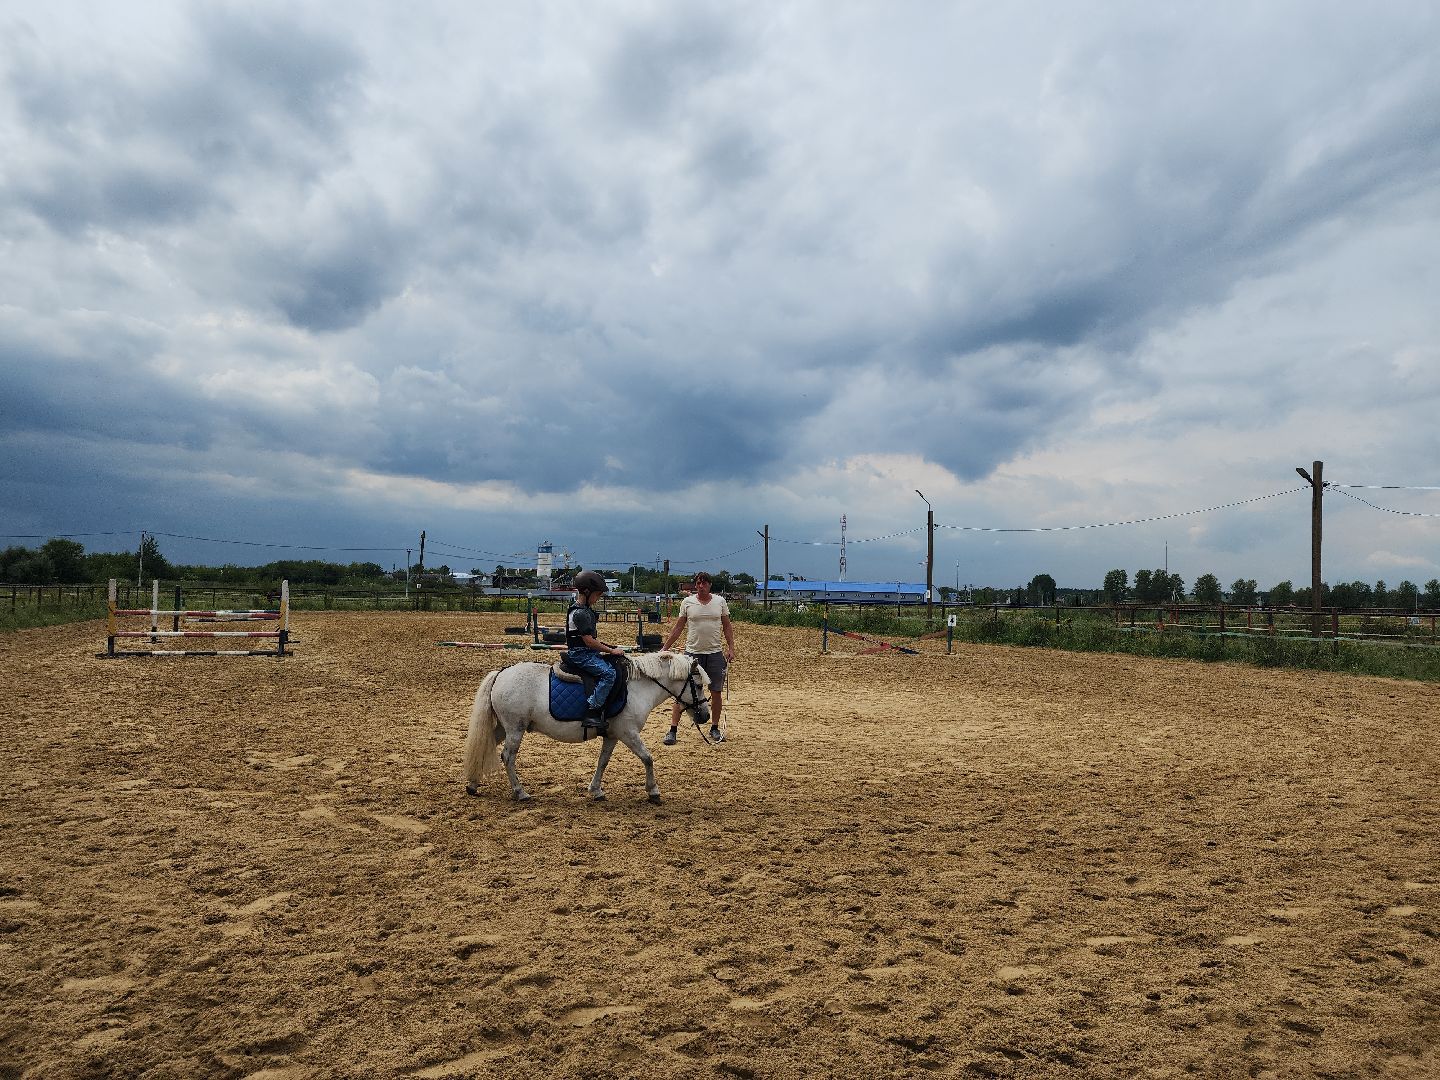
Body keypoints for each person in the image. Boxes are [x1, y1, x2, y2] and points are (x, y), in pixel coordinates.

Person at [661, 571, 736, 744]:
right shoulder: (687, 603)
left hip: (715, 654)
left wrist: (731, 648)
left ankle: (715, 728)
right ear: (696, 585)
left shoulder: (720, 602)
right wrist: (665, 648)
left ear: (710, 585)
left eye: (704, 583)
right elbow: (678, 628)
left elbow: (727, 626)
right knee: (682, 693)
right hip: (692, 654)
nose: (701, 586)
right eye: (698, 583)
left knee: (716, 692)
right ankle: (672, 730)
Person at [565, 570, 627, 738]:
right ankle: (592, 711)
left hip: (586, 652)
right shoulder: (580, 613)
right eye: (597, 595)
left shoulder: (584, 610)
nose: (598, 598)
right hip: (580, 654)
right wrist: (610, 650)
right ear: (586, 592)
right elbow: (589, 642)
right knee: (608, 673)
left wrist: (609, 648)